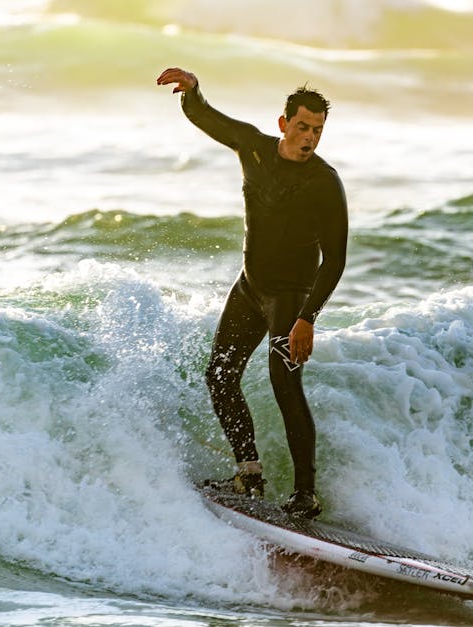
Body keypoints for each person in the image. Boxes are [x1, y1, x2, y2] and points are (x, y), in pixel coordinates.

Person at [157, 67, 348, 519]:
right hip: (249, 289)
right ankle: (250, 473)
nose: (309, 138)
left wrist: (307, 317)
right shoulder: (254, 148)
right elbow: (209, 118)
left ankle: (306, 493)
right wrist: (193, 91)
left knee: (286, 387)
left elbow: (335, 260)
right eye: (303, 127)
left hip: (290, 299)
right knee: (220, 376)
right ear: (284, 124)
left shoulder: (324, 183)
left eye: (318, 130)